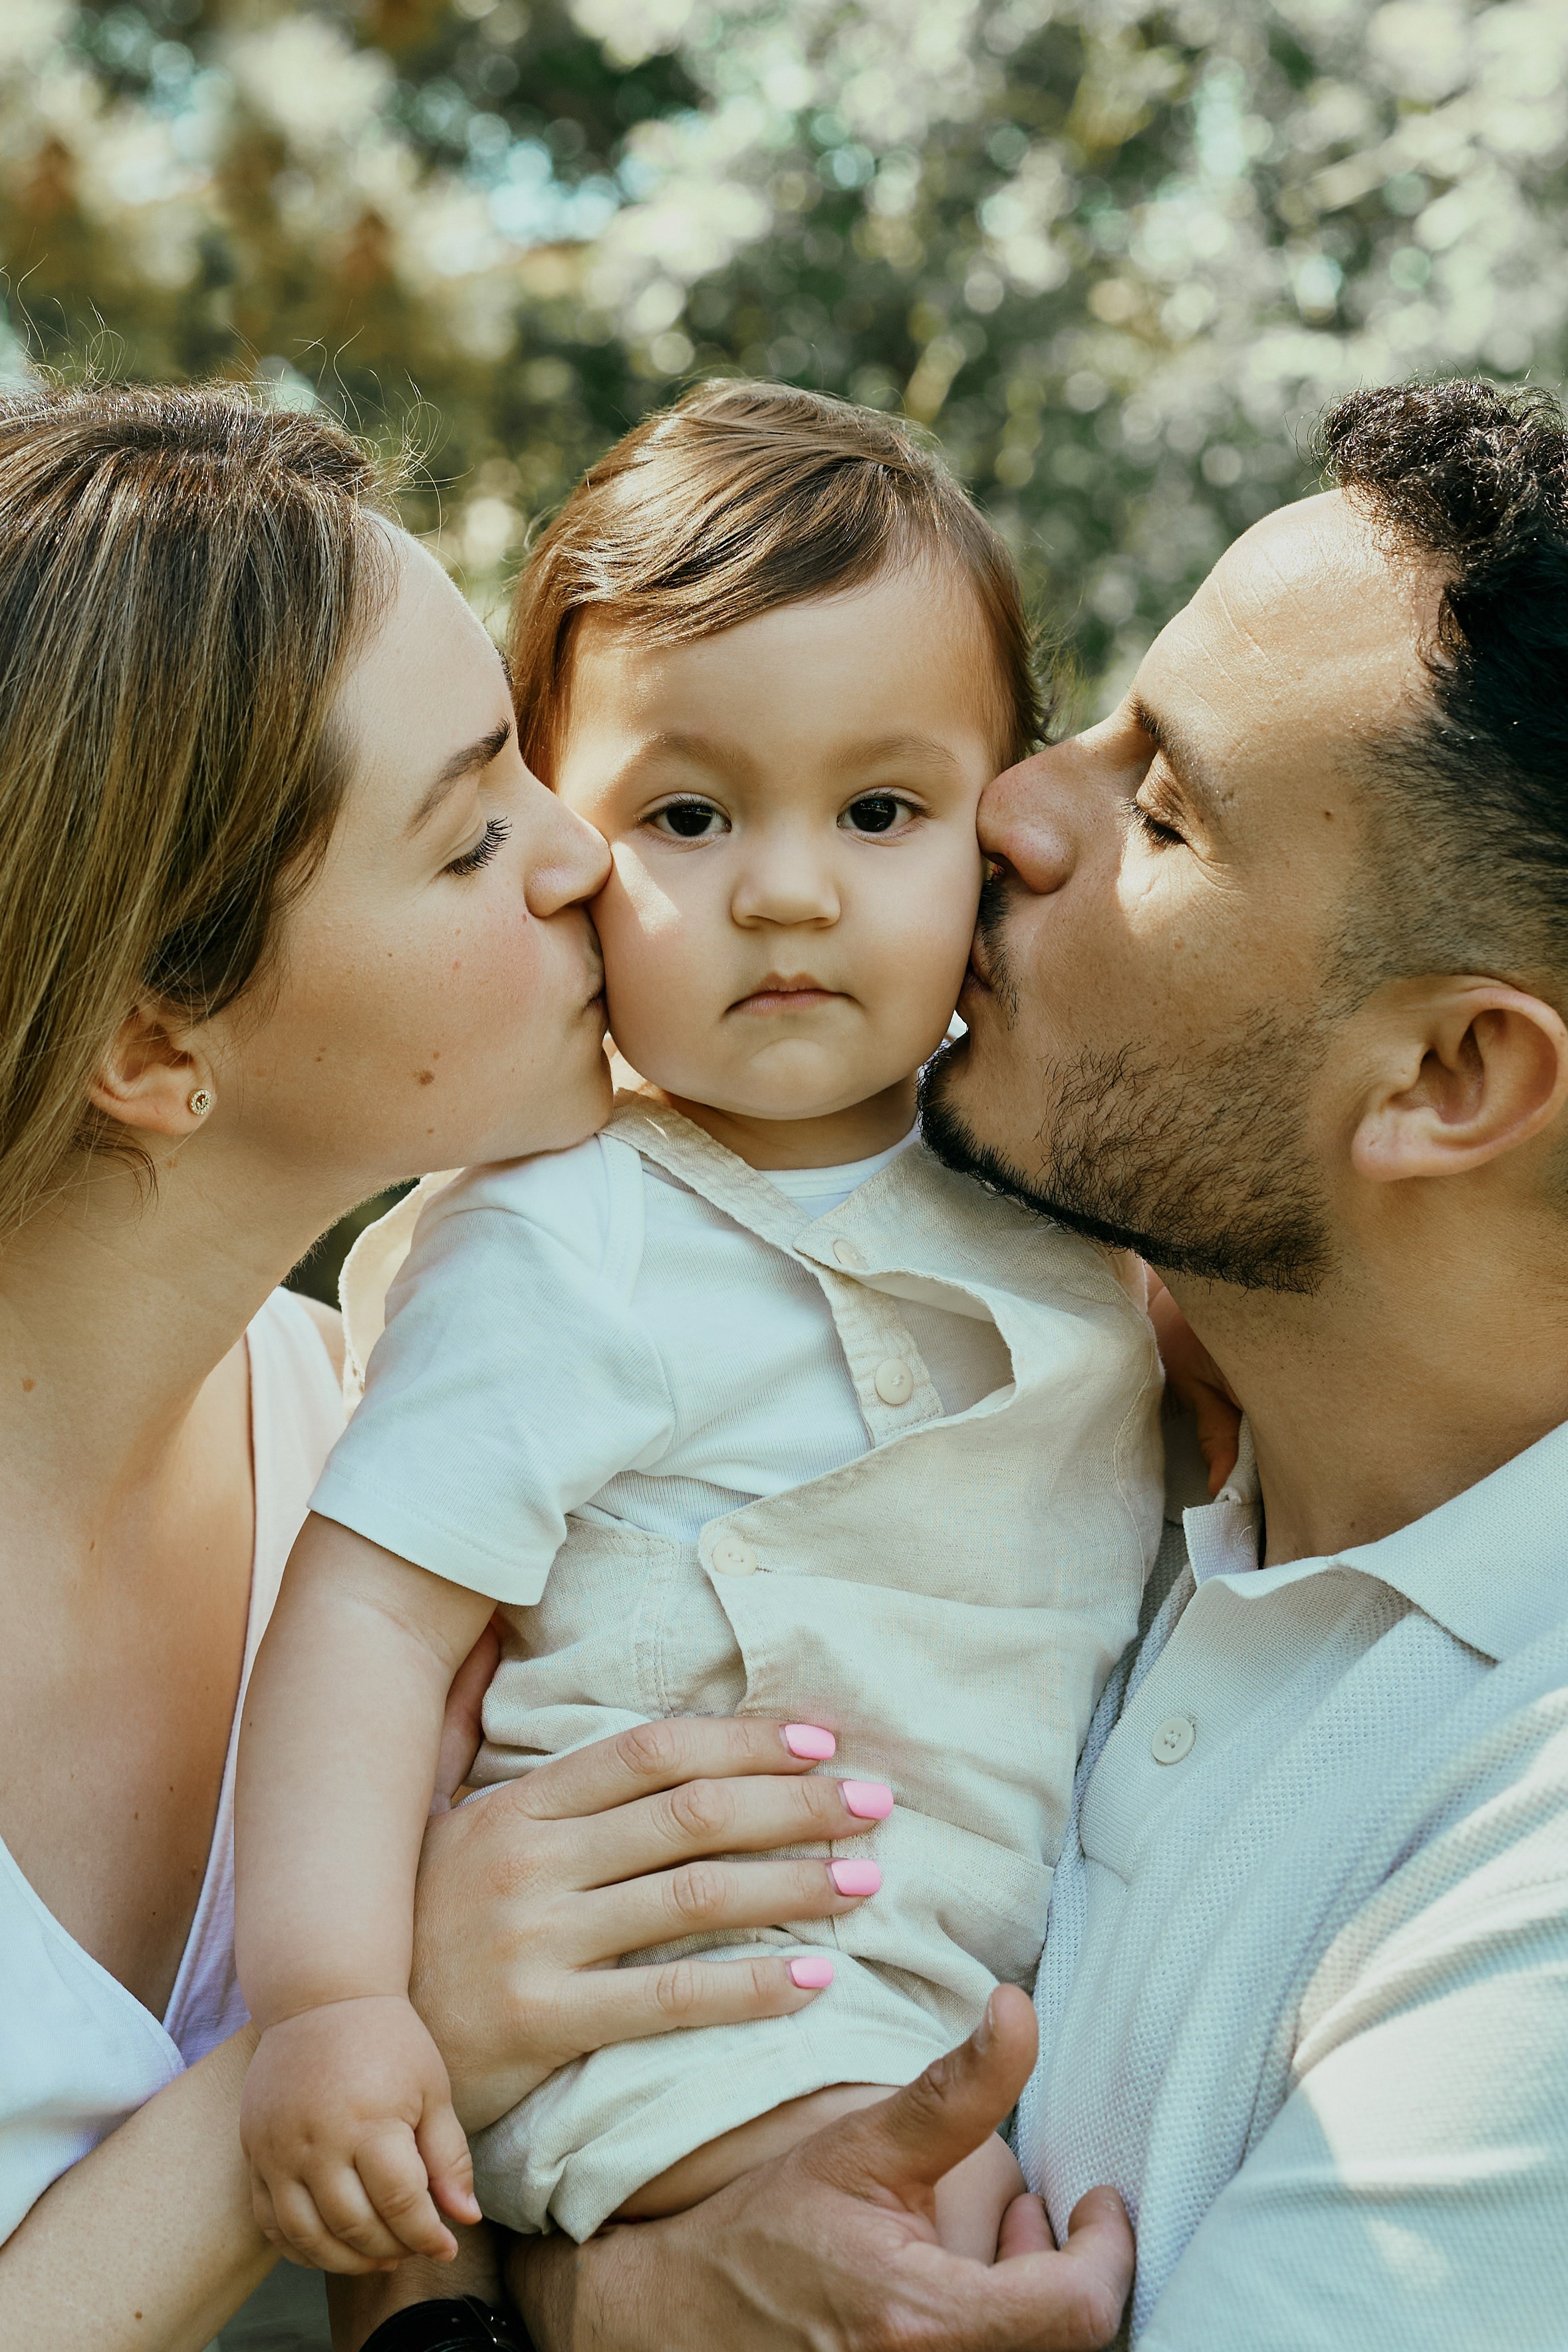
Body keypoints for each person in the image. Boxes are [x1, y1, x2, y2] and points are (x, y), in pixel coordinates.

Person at [508, 377, 1568, 2351]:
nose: (1011, 809)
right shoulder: (1033, 1391)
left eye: (1161, 805)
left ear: (1447, 1079)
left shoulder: (1532, 1845)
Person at [232, 384, 1165, 2274]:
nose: (791, 886)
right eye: (689, 813)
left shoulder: (1069, 1205)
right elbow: (366, 1620)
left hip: (967, 1984)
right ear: (571, 853)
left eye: (882, 809)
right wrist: (333, 2005)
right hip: (688, 2004)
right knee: (961, 2243)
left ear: (1003, 823)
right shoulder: (571, 1235)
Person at [0, 380, 882, 2352]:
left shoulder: (393, 1454)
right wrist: (357, 2026)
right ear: (154, 1042)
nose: (592, 861)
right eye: (476, 830)